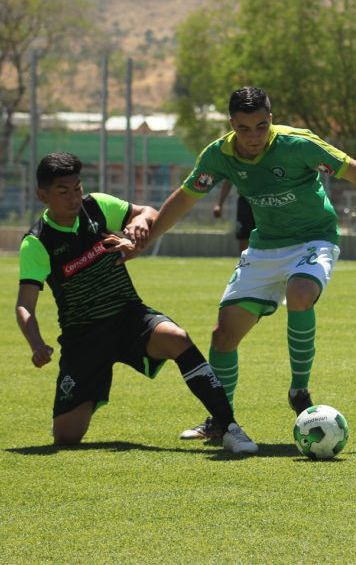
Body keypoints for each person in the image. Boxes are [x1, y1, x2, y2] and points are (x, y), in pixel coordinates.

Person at [129, 86, 356, 441]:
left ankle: (299, 390)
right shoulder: (218, 155)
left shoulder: (299, 144)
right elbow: (186, 198)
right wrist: (148, 240)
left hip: (314, 239)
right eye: (244, 128)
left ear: (271, 119)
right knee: (223, 336)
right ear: (232, 124)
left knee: (300, 291)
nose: (254, 137)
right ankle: (220, 420)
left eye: (261, 126)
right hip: (264, 248)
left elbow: (355, 171)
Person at [15, 152, 258, 453]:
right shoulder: (38, 242)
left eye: (77, 188)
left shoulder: (98, 207)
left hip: (129, 317)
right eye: (63, 192)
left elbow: (148, 212)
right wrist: (36, 344)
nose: (73, 197)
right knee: (66, 438)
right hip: (84, 338)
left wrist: (140, 221)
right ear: (43, 195)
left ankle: (228, 425)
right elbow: (25, 304)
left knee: (176, 338)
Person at [213, 179, 255, 253]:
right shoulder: (236, 167)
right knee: (243, 236)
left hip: (265, 201)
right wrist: (219, 204)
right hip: (245, 202)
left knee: (267, 234)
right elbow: (228, 181)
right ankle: (244, 262)